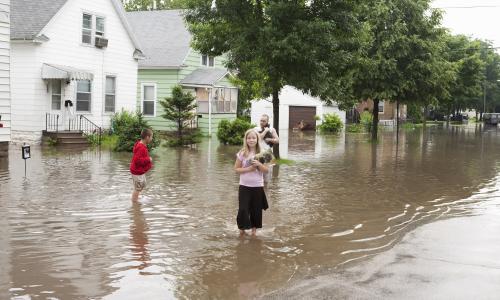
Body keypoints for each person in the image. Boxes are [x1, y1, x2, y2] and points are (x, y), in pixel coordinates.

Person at [234, 129, 269, 237]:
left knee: (256, 209)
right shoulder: (242, 152)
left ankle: (254, 231)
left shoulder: (263, 152)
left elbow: (266, 170)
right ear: (246, 139)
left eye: (253, 138)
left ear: (257, 139)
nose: (251, 140)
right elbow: (236, 169)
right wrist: (249, 169)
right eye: (249, 138)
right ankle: (242, 230)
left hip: (258, 186)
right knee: (243, 209)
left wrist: (259, 164)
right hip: (244, 186)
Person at [130, 128, 153, 202]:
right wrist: (148, 159)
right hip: (137, 171)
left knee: (143, 184)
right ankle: (134, 203)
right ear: (147, 137)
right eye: (151, 137)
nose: (151, 139)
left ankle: (136, 197)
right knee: (138, 188)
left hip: (139, 171)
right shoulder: (141, 147)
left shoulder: (142, 145)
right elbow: (137, 160)